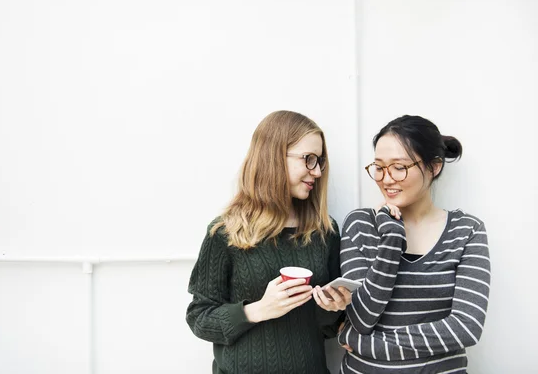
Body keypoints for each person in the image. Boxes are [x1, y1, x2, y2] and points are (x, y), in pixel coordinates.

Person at [186, 110, 351, 374]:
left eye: (319, 161)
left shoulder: (324, 232)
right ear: (273, 157)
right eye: (308, 159)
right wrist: (258, 310)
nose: (317, 172)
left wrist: (334, 309)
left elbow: (328, 329)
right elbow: (199, 318)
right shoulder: (225, 232)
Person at [336, 115, 491, 373]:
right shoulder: (360, 224)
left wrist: (357, 341)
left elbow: (465, 328)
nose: (386, 179)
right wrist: (392, 238)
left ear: (434, 167)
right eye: (379, 166)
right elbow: (362, 318)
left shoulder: (467, 231)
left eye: (399, 167)